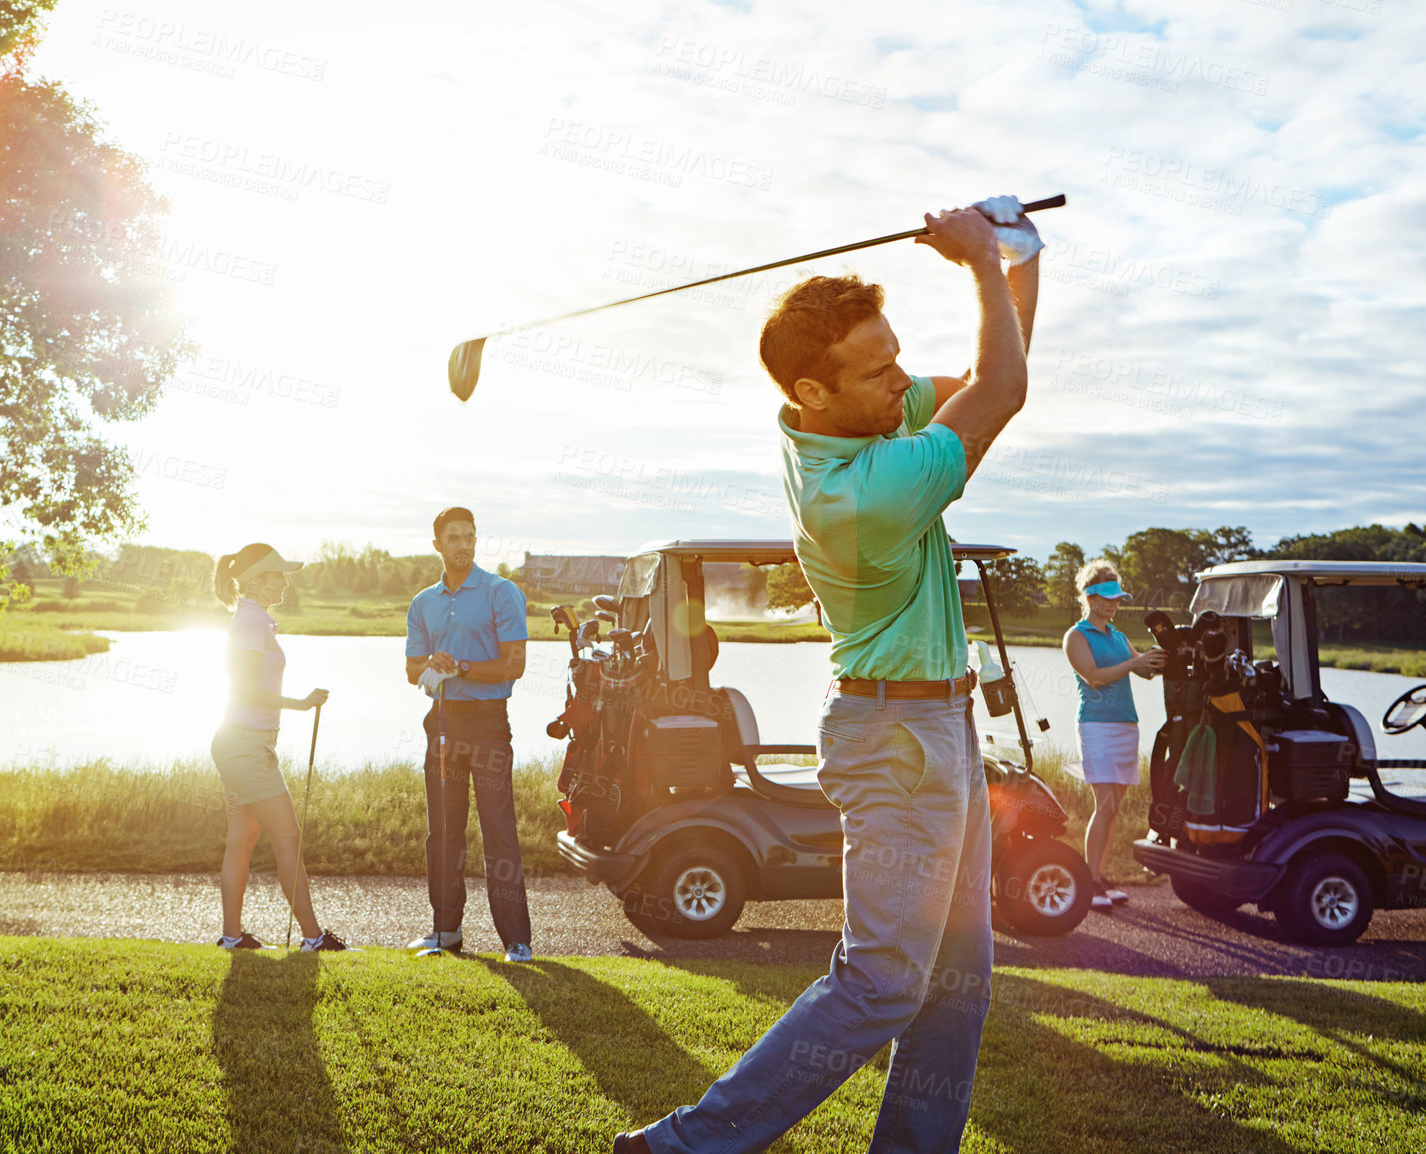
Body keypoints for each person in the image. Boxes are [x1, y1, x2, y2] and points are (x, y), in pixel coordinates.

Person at [617, 196, 1042, 1154]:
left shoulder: (859, 419)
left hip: (938, 732)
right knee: (885, 981)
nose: (902, 379)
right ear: (814, 391)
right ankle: (682, 1146)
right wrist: (981, 263)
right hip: (898, 741)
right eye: (878, 367)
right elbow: (1002, 393)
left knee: (958, 989)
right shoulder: (865, 495)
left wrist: (1017, 248)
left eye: (896, 356)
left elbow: (992, 369)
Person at [404, 506, 534, 963]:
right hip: (441, 721)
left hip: (488, 722)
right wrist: (431, 667)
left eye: (470, 536)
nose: (463, 544)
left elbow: (513, 665)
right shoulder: (423, 603)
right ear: (437, 544)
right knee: (443, 831)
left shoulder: (502, 593)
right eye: (454, 537)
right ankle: (445, 931)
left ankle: (517, 940)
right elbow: (410, 670)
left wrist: (458, 666)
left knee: (499, 830)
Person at [209, 543, 350, 952]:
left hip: (244, 743)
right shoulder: (250, 623)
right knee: (288, 837)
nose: (284, 581)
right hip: (245, 747)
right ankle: (312, 937)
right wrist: (301, 703)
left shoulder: (254, 620)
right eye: (277, 575)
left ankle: (232, 938)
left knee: (243, 838)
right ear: (256, 580)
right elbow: (247, 689)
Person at [1063, 562, 1164, 910]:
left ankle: (1100, 877)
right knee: (1104, 804)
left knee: (1114, 807)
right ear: (1089, 597)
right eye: (1106, 599)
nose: (1112, 605)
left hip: (1125, 725)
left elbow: (1145, 672)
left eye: (1117, 599)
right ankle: (1089, 883)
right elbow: (1095, 678)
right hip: (1097, 726)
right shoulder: (1076, 636)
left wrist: (1157, 659)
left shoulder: (1118, 636)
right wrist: (1134, 665)